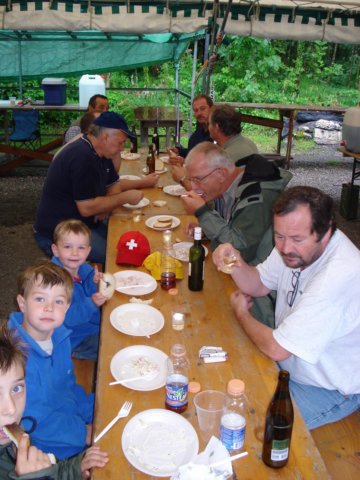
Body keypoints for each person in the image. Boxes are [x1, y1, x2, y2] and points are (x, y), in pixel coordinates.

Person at [212, 186, 360, 429]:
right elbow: (258, 284)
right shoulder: (294, 247)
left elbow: (276, 348)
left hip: (329, 388)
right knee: (224, 389)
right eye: (279, 236)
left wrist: (241, 312)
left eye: (296, 239)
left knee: (246, 427)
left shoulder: (336, 277)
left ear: (326, 233)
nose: (285, 248)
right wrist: (234, 261)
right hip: (290, 368)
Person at [34, 111, 147, 265]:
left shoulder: (101, 152)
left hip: (84, 223)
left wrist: (106, 207)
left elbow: (113, 185)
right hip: (59, 233)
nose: (122, 148)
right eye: (120, 143)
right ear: (105, 137)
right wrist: (123, 198)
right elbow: (86, 208)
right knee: (118, 258)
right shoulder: (82, 156)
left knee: (125, 242)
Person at [7, 262, 96, 459]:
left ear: (67, 307)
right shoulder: (16, 360)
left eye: (58, 302)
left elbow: (68, 386)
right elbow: (35, 422)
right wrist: (83, 433)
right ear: (22, 304)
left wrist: (94, 410)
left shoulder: (59, 336)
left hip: (70, 419)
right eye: (40, 299)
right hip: (48, 448)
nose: (49, 308)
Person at [0, 322, 108, 478]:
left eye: (16, 388)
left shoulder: (10, 430)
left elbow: (53, 472)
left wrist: (75, 469)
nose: (11, 409)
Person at [51, 219, 107, 360]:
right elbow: (68, 318)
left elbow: (87, 292)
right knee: (108, 350)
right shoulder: (55, 283)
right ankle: (76, 354)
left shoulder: (82, 268)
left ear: (88, 251)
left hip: (91, 324)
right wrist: (92, 303)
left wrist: (95, 284)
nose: (75, 253)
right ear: (55, 250)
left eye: (81, 248)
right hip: (75, 337)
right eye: (68, 247)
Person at [169, 94, 213, 185]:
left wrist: (185, 162)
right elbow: (192, 151)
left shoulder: (216, 134)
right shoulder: (200, 130)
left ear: (211, 109)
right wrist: (179, 151)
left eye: (203, 109)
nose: (199, 113)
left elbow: (211, 164)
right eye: (196, 110)